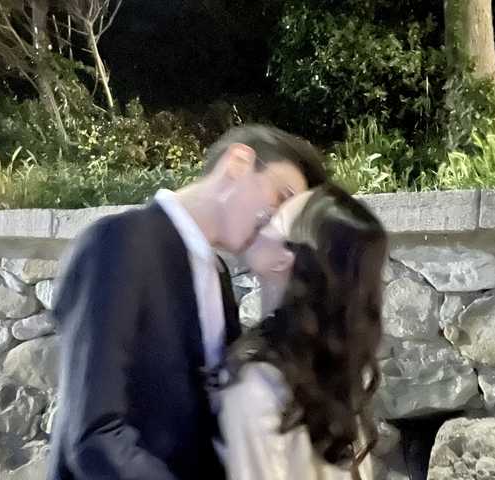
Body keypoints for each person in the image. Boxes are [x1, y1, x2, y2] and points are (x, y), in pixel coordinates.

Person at [46, 125, 327, 480]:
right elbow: (94, 436)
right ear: (238, 163)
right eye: (281, 197)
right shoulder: (119, 241)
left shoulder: (215, 273)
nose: (280, 224)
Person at [220, 183, 388, 480]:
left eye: (274, 220)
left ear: (285, 259)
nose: (262, 220)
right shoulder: (334, 376)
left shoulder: (257, 387)